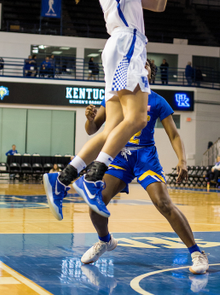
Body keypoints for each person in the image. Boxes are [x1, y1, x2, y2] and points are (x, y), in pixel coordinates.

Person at [43, 0, 187, 222]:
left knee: (115, 125)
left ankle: (62, 178)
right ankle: (93, 177)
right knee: (137, 119)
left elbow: (158, 4)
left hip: (120, 47)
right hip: (126, 46)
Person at [80, 60, 208, 274]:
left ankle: (197, 253)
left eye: (145, 65)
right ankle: (105, 241)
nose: (140, 66)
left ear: (150, 73)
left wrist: (182, 160)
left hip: (145, 157)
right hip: (119, 157)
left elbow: (174, 134)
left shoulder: (157, 101)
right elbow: (92, 130)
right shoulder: (115, 98)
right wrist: (90, 119)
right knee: (96, 203)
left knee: (163, 203)